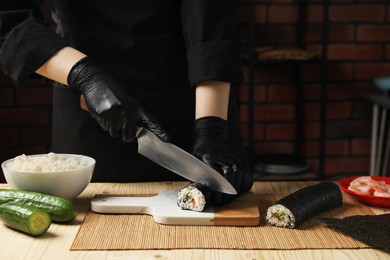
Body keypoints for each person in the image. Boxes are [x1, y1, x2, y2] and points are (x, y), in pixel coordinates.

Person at [0, 1, 253, 205]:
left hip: (197, 101)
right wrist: (84, 75)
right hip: (88, 112)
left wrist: (211, 129)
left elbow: (211, 13)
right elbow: (10, 18)